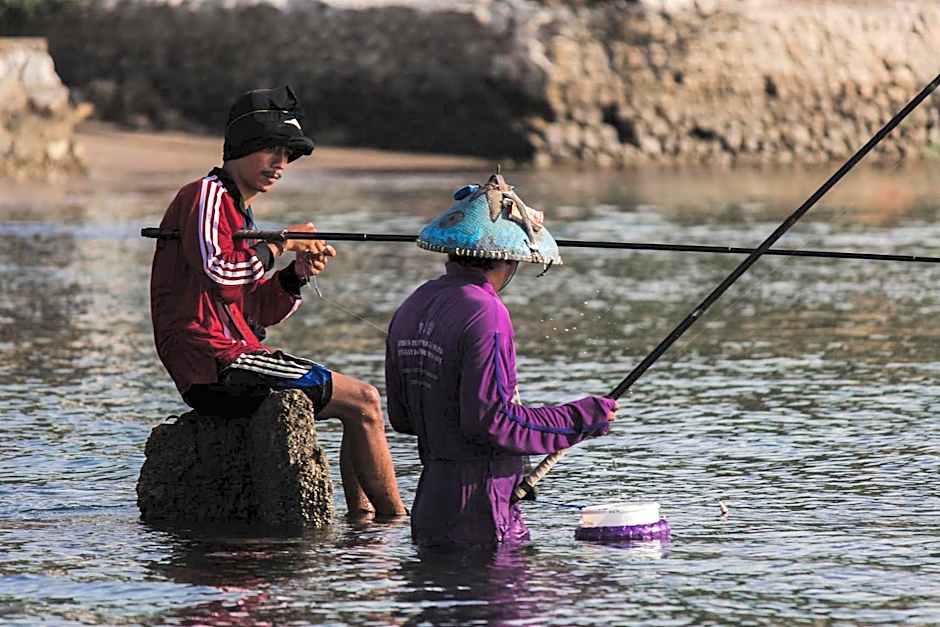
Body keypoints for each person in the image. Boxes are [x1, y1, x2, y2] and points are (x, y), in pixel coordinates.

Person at [150, 85, 406, 518]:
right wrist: (281, 244)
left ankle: (363, 524)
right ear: (242, 147)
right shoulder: (205, 195)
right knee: (363, 399)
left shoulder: (240, 212)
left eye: (287, 155)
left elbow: (254, 311)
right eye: (271, 150)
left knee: (359, 404)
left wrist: (295, 275)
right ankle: (394, 523)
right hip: (213, 361)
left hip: (237, 351)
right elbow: (220, 274)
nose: (280, 164)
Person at [385, 172, 618, 548]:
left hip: (430, 511)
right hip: (481, 515)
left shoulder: (412, 304)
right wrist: (582, 417)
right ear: (508, 258)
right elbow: (493, 422)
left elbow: (403, 418)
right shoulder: (486, 312)